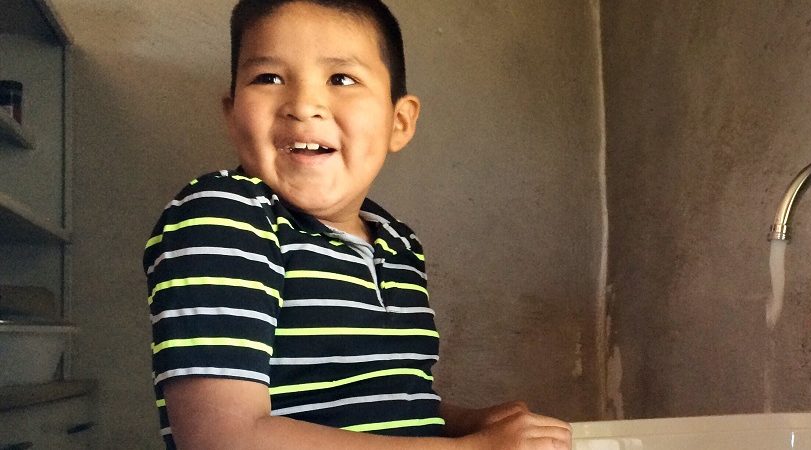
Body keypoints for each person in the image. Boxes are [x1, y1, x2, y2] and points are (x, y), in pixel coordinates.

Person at [143, 1, 572, 448]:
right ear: (233, 116)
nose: (303, 105)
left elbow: (383, 402)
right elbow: (223, 438)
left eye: (341, 79)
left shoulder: (398, 243)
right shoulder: (225, 215)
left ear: (399, 121)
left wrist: (468, 423)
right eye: (268, 78)